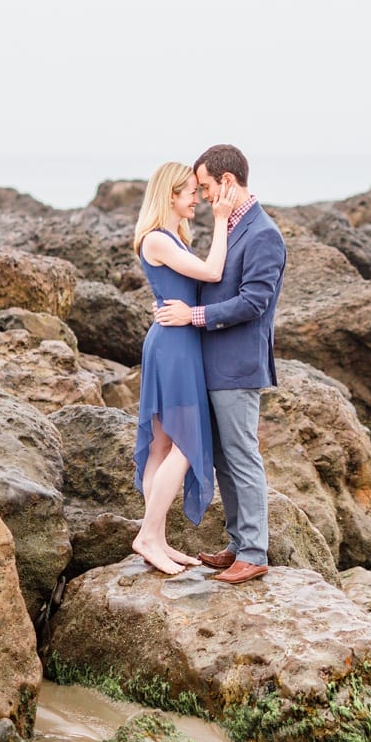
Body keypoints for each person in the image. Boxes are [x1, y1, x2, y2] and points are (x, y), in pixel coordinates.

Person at [154, 145, 286, 584]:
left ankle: (254, 552)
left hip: (237, 367)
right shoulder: (230, 226)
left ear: (227, 182)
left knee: (242, 456)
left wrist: (192, 317)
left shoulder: (263, 233)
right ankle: (237, 544)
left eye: (207, 187)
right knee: (225, 461)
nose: (205, 196)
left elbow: (254, 302)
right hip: (210, 365)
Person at [130, 161, 236, 575]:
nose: (197, 198)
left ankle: (155, 537)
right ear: (170, 195)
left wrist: (188, 310)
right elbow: (212, 271)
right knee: (185, 447)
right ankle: (149, 536)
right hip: (174, 348)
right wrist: (224, 219)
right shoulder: (156, 239)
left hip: (176, 343)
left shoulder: (172, 237)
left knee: (161, 446)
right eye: (191, 191)